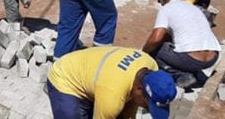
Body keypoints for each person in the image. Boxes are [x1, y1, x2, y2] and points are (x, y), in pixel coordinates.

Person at [46, 46, 176, 119]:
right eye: (148, 105)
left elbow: (129, 111)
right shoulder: (112, 96)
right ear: (139, 89)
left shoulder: (151, 65)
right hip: (66, 78)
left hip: (96, 78)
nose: (146, 108)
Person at [142, 0, 221, 84]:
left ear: (161, 0)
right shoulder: (191, 6)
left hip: (192, 60)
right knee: (178, 43)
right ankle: (196, 73)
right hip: (213, 57)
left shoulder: (166, 9)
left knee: (155, 48)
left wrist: (143, 53)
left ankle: (182, 75)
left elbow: (155, 39)